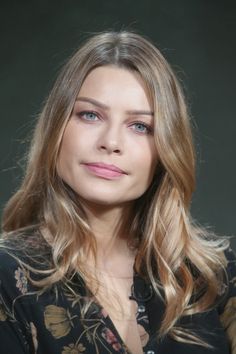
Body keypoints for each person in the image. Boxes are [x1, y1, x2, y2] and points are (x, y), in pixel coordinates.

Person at [0, 31, 235, 354]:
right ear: (57, 129)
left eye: (140, 126)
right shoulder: (8, 278)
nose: (110, 142)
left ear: (166, 148)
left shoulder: (213, 276)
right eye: (90, 115)